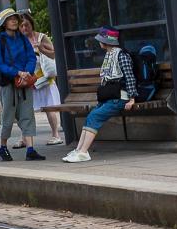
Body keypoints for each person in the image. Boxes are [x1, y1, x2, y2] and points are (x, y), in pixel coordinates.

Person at [64, 27, 135, 163]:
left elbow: (130, 77)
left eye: (100, 40)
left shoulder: (122, 56)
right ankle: (79, 150)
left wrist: (132, 99)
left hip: (119, 98)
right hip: (109, 97)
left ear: (105, 41)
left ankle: (84, 152)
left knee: (95, 116)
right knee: (91, 116)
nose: (99, 43)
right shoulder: (109, 55)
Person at [0, 9, 44, 162]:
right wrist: (17, 72)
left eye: (15, 19)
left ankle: (30, 149)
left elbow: (31, 56)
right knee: (8, 115)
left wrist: (27, 72)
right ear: (4, 23)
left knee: (27, 114)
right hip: (8, 83)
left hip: (24, 81)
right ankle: (3, 148)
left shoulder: (22, 38)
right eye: (10, 19)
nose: (13, 21)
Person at [23, 14, 64, 144]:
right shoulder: (19, 40)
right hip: (30, 80)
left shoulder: (41, 37)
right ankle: (25, 139)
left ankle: (56, 135)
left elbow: (53, 53)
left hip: (44, 78)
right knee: (26, 111)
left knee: (49, 107)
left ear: (32, 24)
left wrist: (40, 48)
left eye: (27, 25)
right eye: (21, 26)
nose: (24, 28)